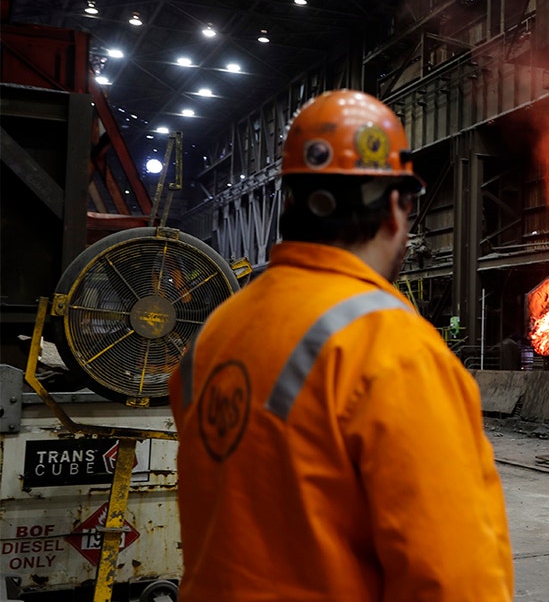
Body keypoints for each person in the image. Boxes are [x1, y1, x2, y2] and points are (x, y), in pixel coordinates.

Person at [169, 89, 514, 600]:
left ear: (289, 203)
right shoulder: (392, 349)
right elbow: (455, 581)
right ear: (397, 209)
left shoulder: (217, 333)